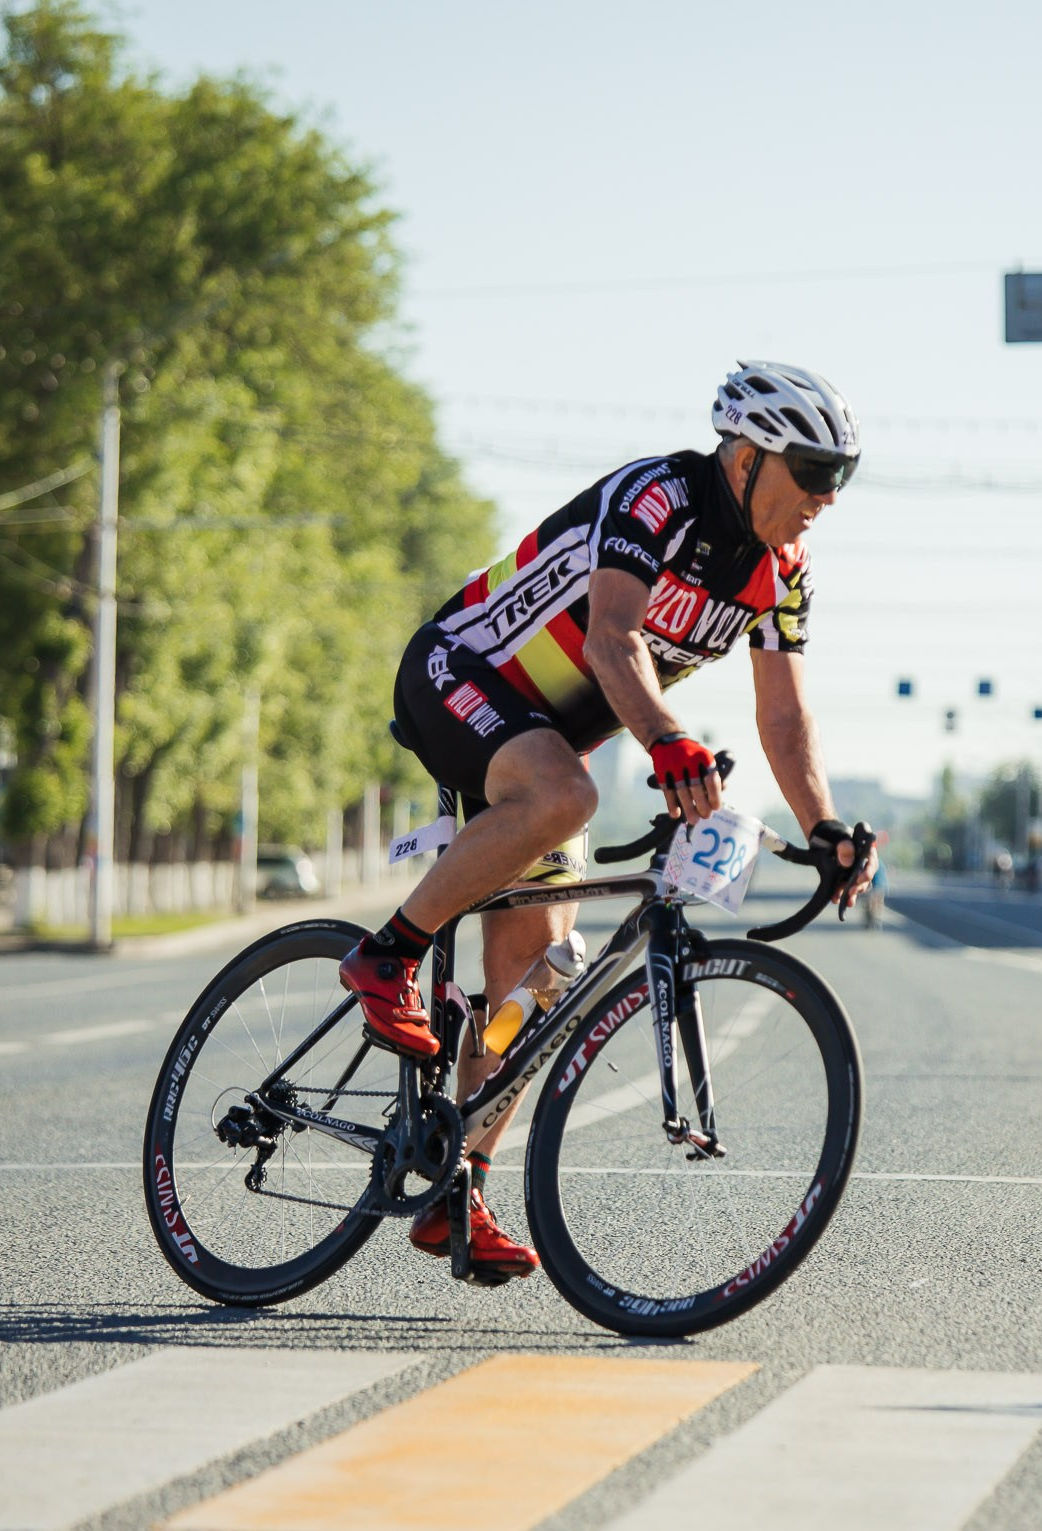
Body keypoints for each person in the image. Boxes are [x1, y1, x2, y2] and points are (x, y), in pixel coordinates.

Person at [341, 362, 879, 1280]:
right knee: (568, 797)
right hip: (463, 671)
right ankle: (385, 956)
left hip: (547, 736)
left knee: (545, 974)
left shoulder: (783, 574)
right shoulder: (656, 496)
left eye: (844, 478)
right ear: (747, 458)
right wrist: (668, 739)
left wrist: (825, 825)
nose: (827, 499)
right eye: (815, 473)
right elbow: (611, 635)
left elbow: (783, 716)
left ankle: (454, 1190)